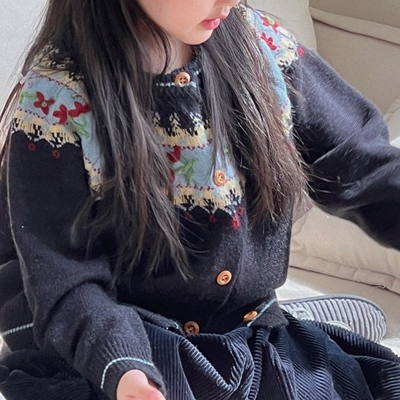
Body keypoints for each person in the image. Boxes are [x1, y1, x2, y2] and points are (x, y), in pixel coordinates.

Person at [0, 0, 399, 399]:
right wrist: (123, 367)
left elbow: (366, 167)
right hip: (118, 339)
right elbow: (65, 276)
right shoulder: (57, 101)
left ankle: (300, 326)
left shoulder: (264, 48)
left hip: (248, 333)